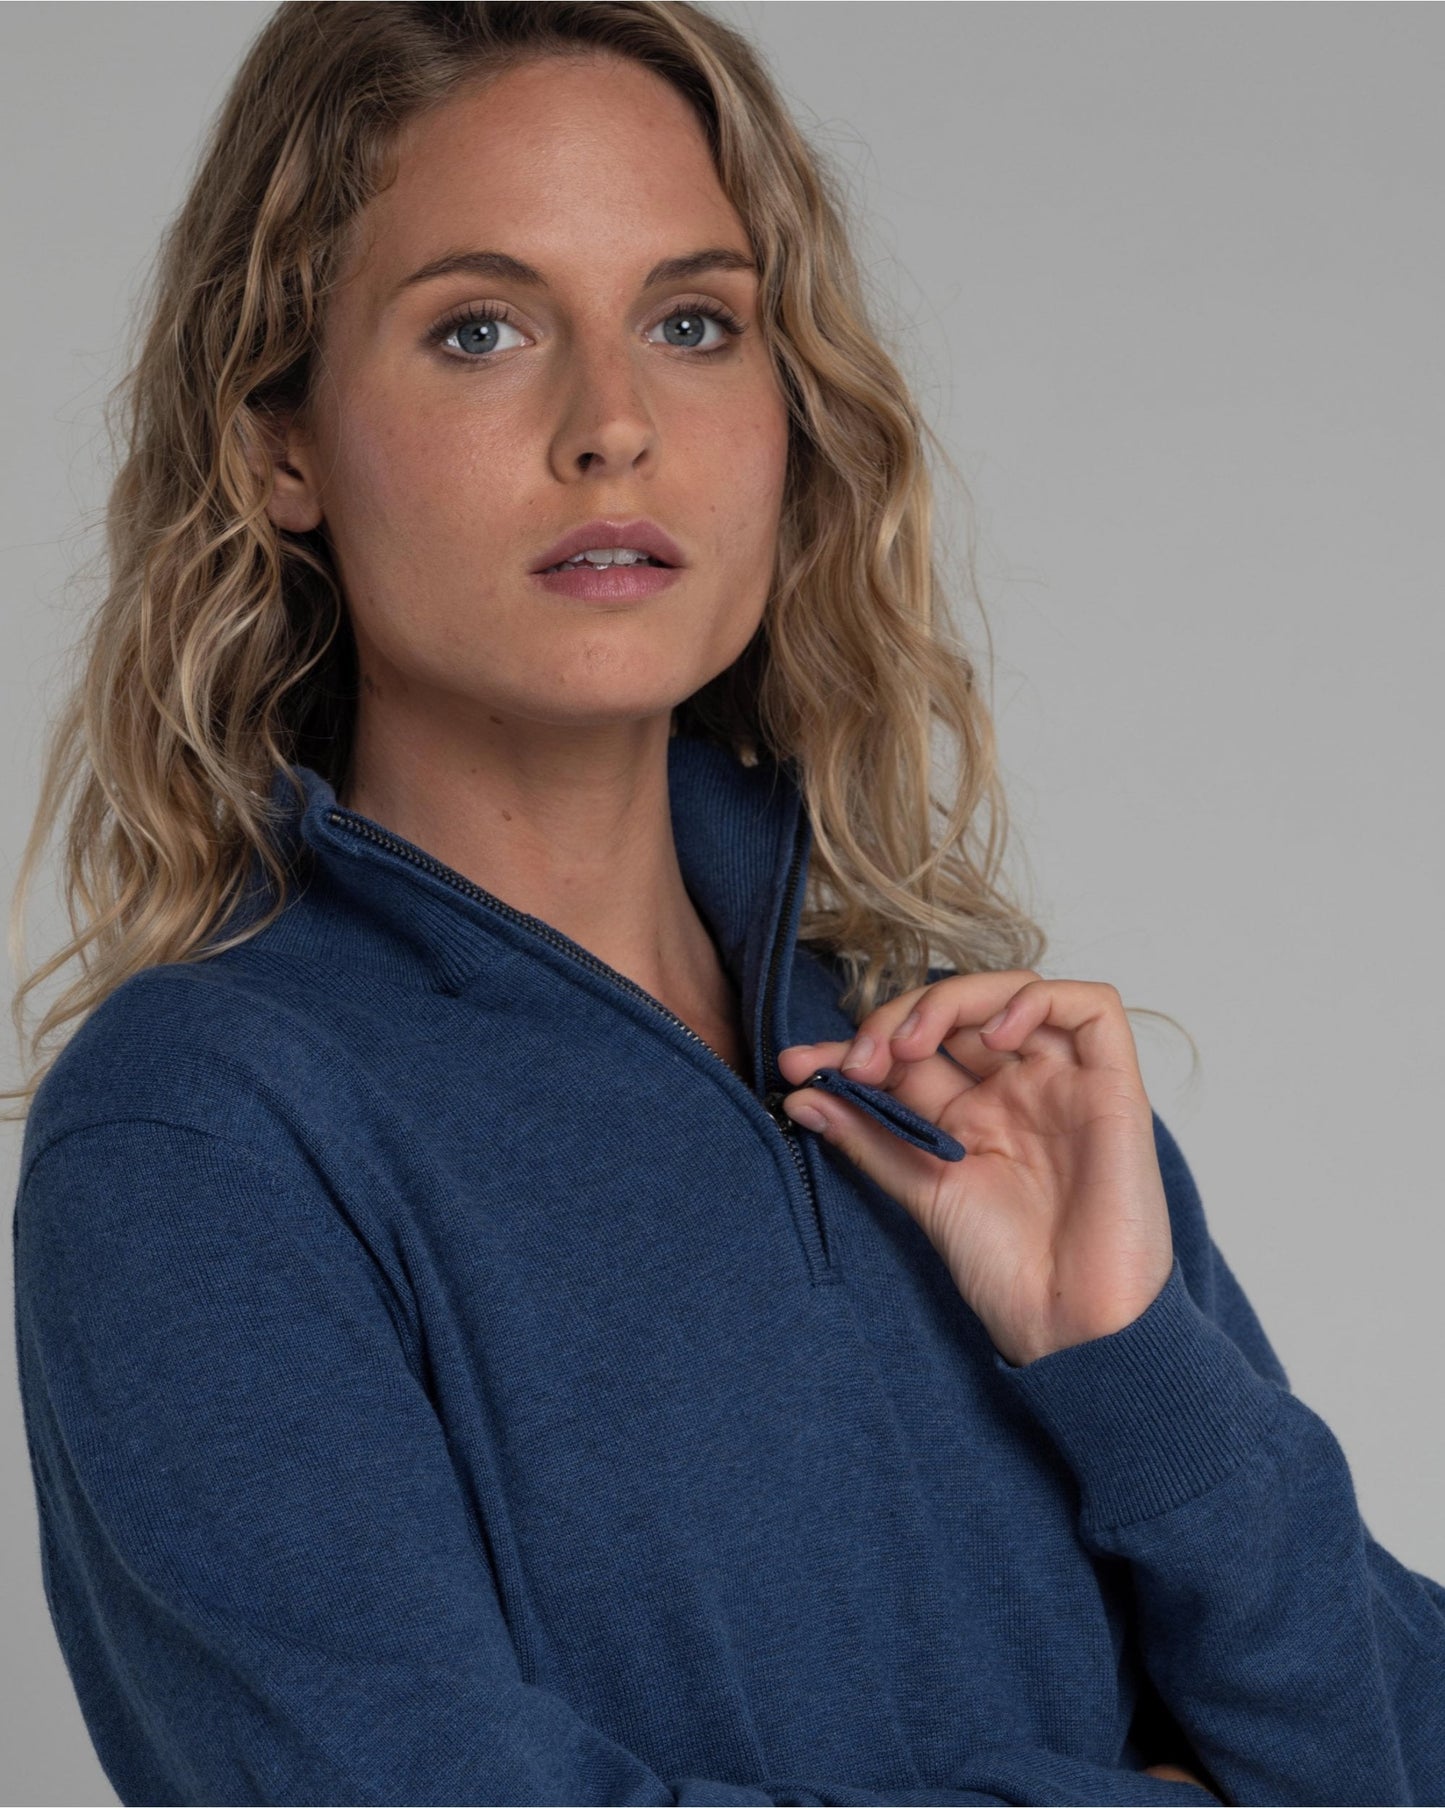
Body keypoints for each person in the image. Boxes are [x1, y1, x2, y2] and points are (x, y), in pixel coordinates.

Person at [7, 5, 1444, 1805]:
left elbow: (1402, 1746)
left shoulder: (957, 1084)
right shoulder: (201, 1136)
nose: (612, 425)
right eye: (479, 329)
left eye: (691, 324)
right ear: (277, 446)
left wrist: (1134, 1370)